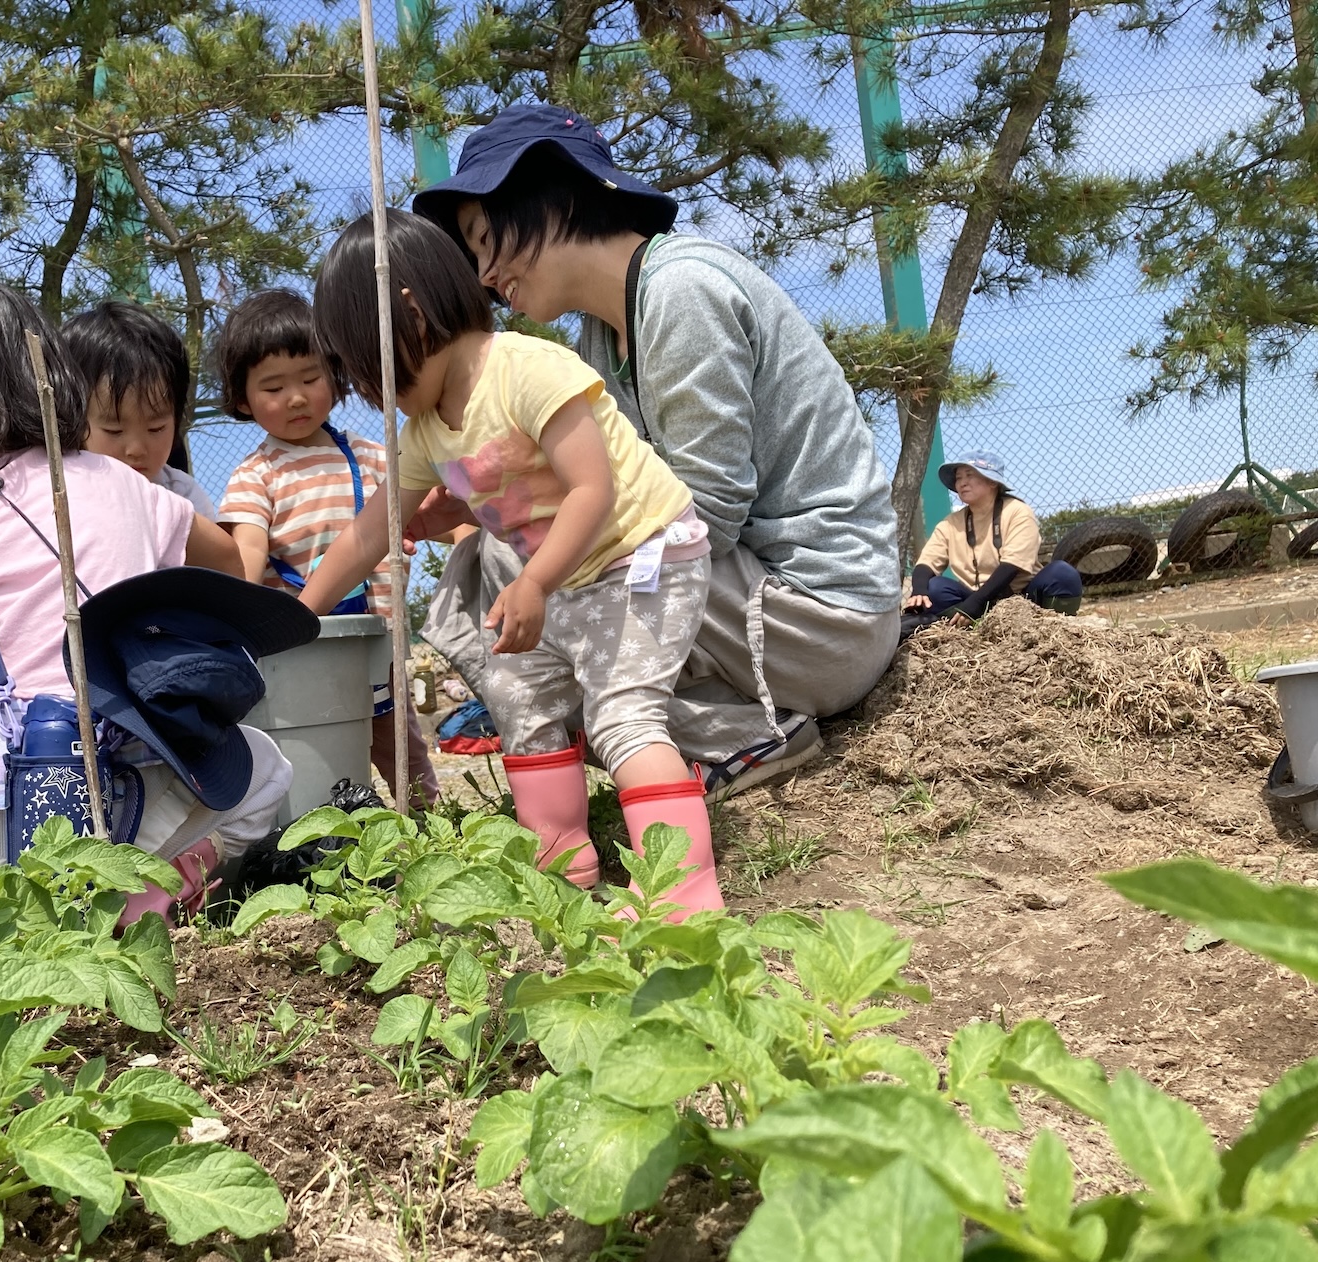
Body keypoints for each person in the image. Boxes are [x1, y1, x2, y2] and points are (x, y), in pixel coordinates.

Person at [411, 104, 902, 799]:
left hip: (821, 618)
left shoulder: (679, 292)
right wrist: (482, 496)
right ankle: (683, 735)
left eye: (488, 239)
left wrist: (535, 528)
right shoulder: (600, 337)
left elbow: (703, 516)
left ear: (551, 196)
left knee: (521, 555)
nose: (485, 273)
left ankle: (739, 734)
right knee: (503, 551)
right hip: (753, 600)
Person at [299, 209, 723, 915]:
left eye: (363, 364)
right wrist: (298, 611)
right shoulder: (428, 430)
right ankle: (562, 862)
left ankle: (682, 895)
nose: (368, 392)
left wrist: (532, 580)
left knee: (624, 718)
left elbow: (593, 488)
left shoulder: (528, 367)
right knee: (520, 698)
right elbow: (369, 533)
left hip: (646, 555)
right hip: (570, 581)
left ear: (411, 315)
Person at [0, 275, 290, 921]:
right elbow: (227, 566)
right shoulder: (120, 482)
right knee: (266, 769)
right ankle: (152, 890)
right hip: (123, 777)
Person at [214, 288, 439, 804]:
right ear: (243, 399)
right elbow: (246, 557)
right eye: (273, 387)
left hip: (376, 644)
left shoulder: (376, 456)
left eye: (311, 378)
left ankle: (430, 823)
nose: (296, 397)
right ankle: (324, 836)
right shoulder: (256, 475)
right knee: (309, 748)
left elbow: (435, 516)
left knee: (398, 743)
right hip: (303, 654)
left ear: (335, 378)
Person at [60, 299, 217, 519]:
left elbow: (220, 553)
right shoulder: (62, 492)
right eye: (114, 430)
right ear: (74, 421)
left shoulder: (182, 494)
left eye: (156, 428)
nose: (136, 449)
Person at [903, 453, 1084, 635]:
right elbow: (927, 562)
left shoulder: (1018, 512)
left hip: (1025, 599)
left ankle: (1055, 631)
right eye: (958, 478)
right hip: (974, 598)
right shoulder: (950, 524)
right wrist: (919, 591)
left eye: (970, 475)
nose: (962, 483)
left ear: (993, 482)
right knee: (934, 588)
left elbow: (1013, 564)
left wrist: (975, 603)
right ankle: (971, 626)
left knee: (1063, 573)